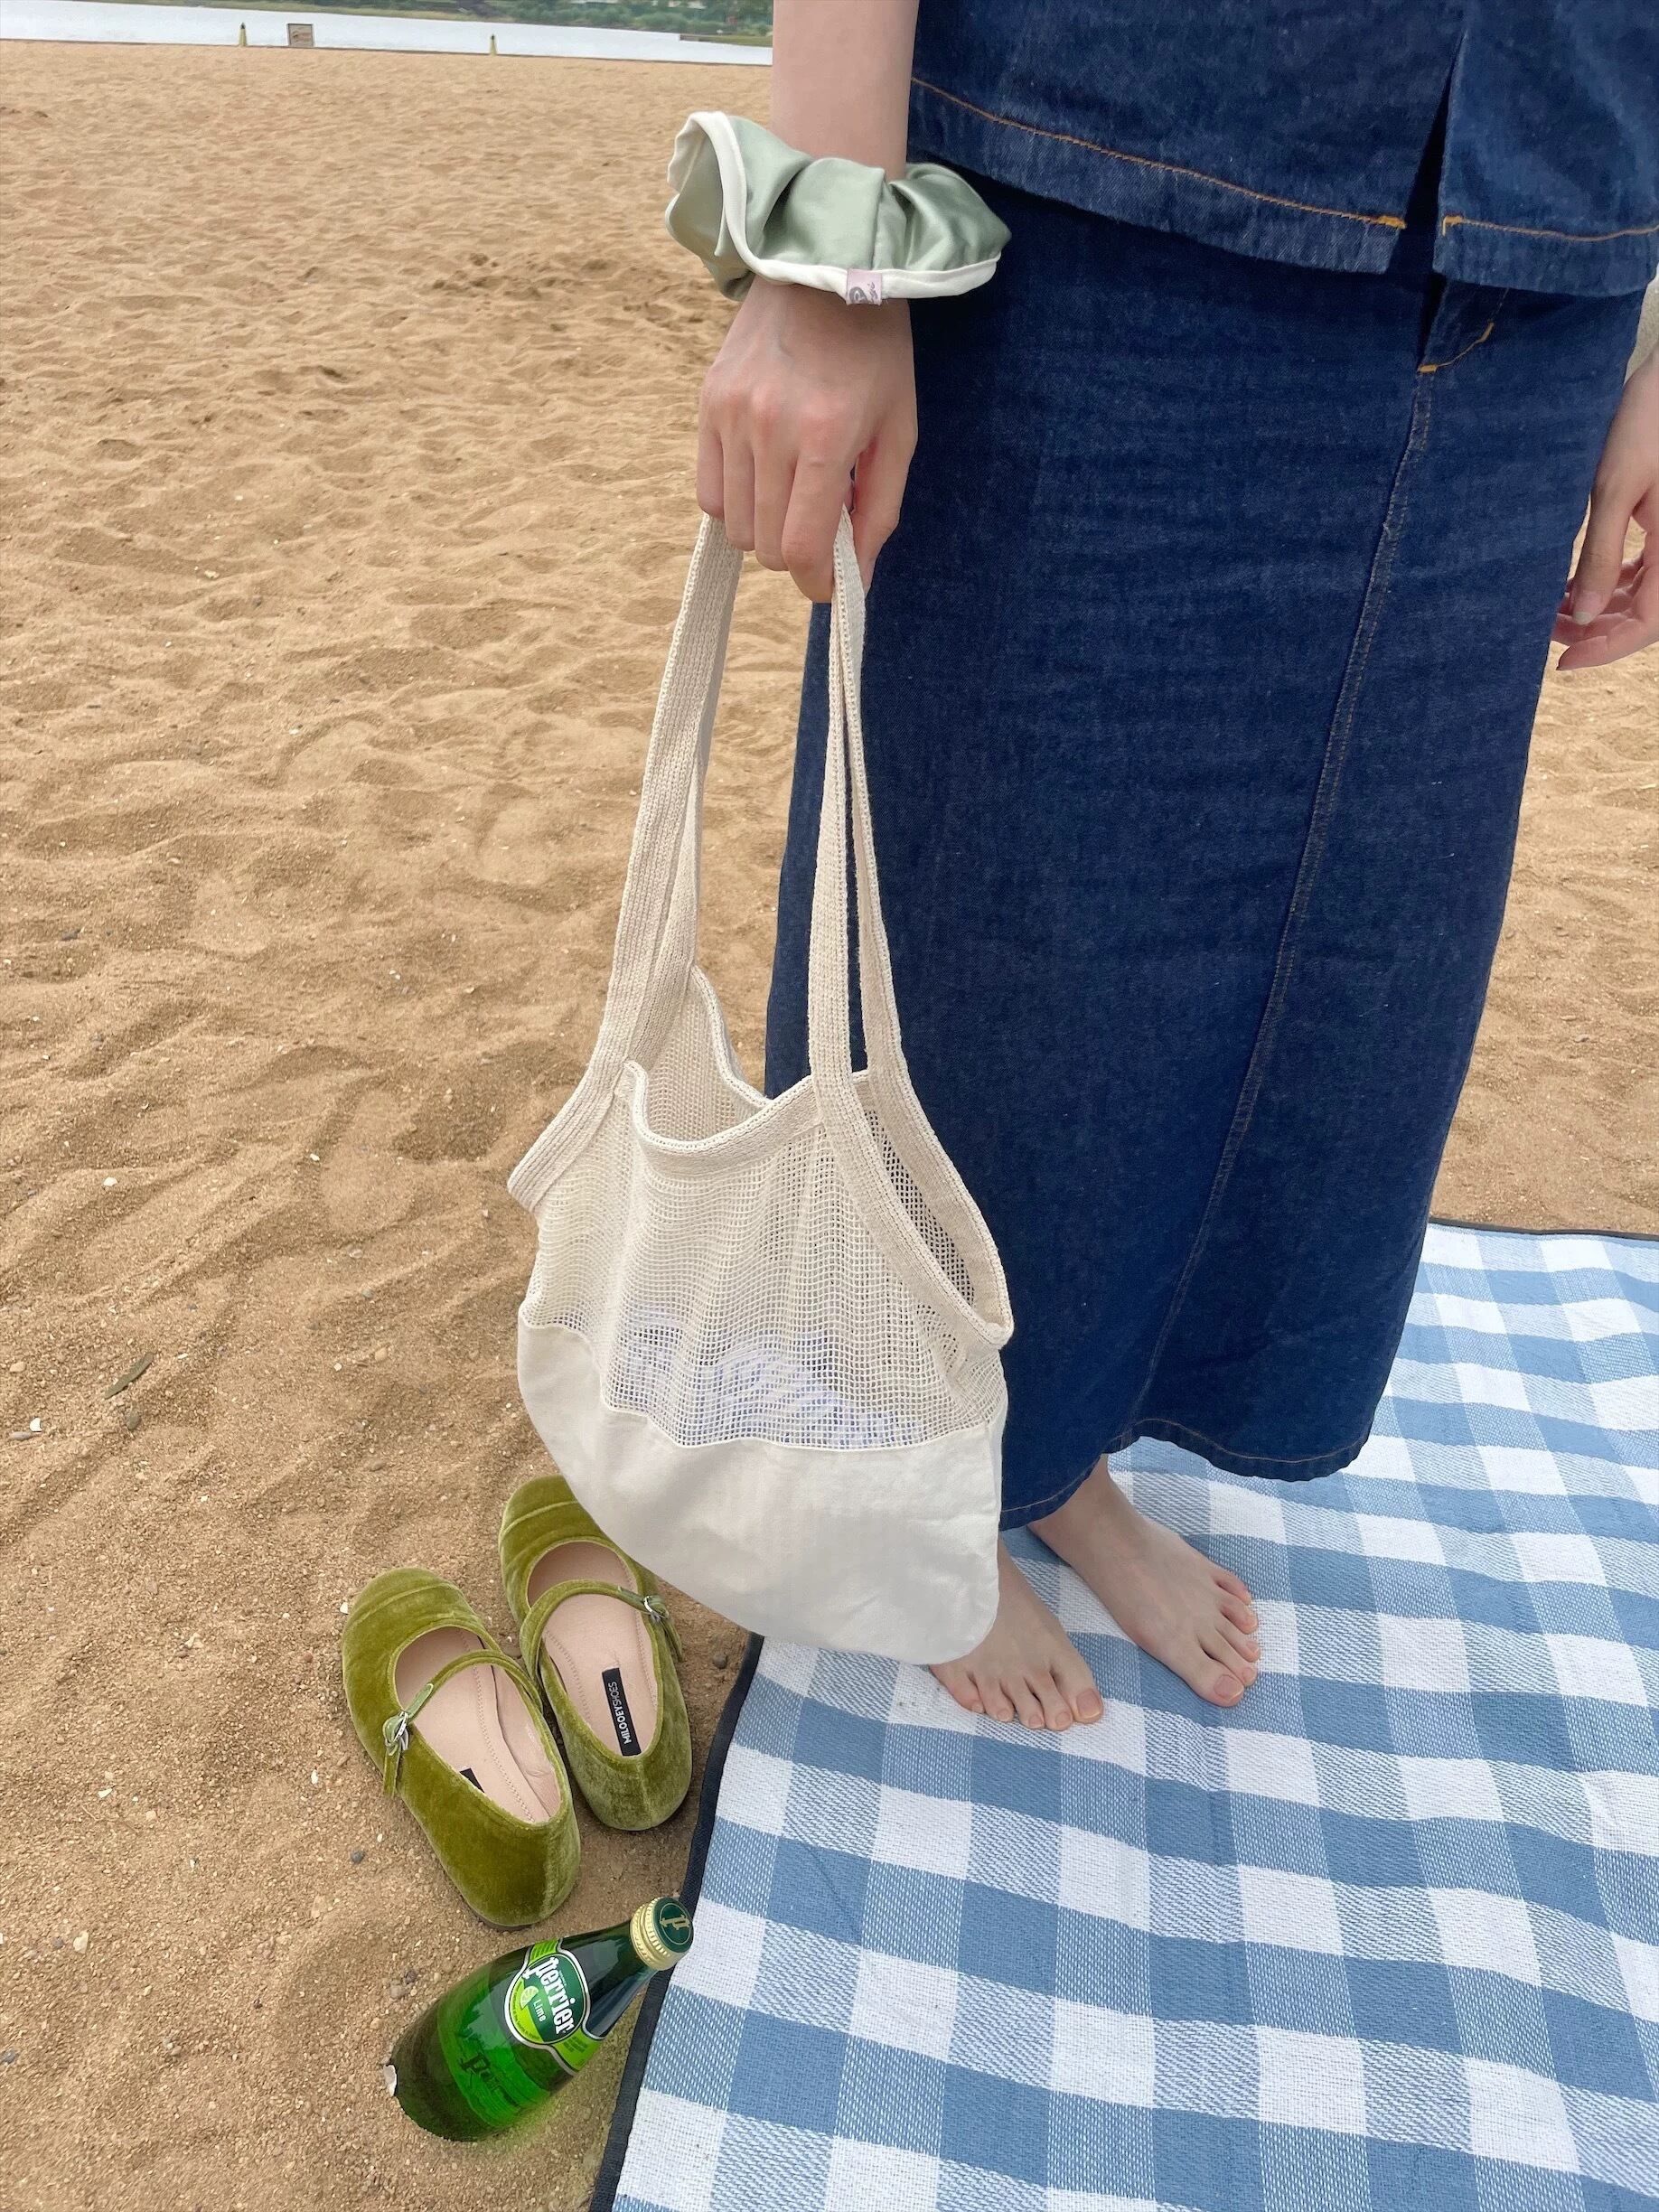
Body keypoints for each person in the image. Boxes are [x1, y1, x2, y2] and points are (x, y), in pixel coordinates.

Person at [689, 3, 1659, 1729]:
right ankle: (921, 1469)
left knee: (1345, 953)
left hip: (1554, 231)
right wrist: (833, 242)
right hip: (1102, 170)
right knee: (996, 925)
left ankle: (1051, 1452)